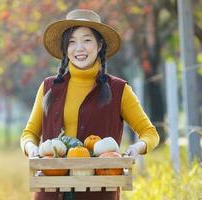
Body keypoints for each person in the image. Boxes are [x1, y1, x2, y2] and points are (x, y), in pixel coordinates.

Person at [20, 9, 160, 200]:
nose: (79, 48)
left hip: (99, 191)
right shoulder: (48, 87)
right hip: (52, 189)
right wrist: (31, 149)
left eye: (87, 40)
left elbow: (150, 133)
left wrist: (137, 148)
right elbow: (29, 134)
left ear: (100, 45)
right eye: (72, 41)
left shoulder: (119, 89)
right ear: (65, 47)